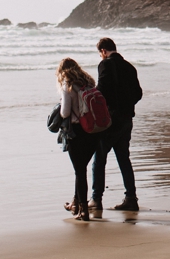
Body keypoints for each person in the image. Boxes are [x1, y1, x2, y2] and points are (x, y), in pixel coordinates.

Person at [90, 37, 143, 214]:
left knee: (99, 157)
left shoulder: (105, 65)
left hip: (111, 119)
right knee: (123, 158)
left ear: (103, 51)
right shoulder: (129, 66)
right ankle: (131, 198)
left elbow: (102, 90)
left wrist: (107, 107)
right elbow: (138, 93)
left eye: (100, 53)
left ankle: (96, 199)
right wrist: (126, 106)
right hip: (127, 118)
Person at [56, 57, 100, 221]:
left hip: (76, 131)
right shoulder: (88, 81)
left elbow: (65, 112)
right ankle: (76, 203)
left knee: (80, 172)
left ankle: (83, 211)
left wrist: (59, 109)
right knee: (81, 170)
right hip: (93, 129)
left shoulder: (67, 84)